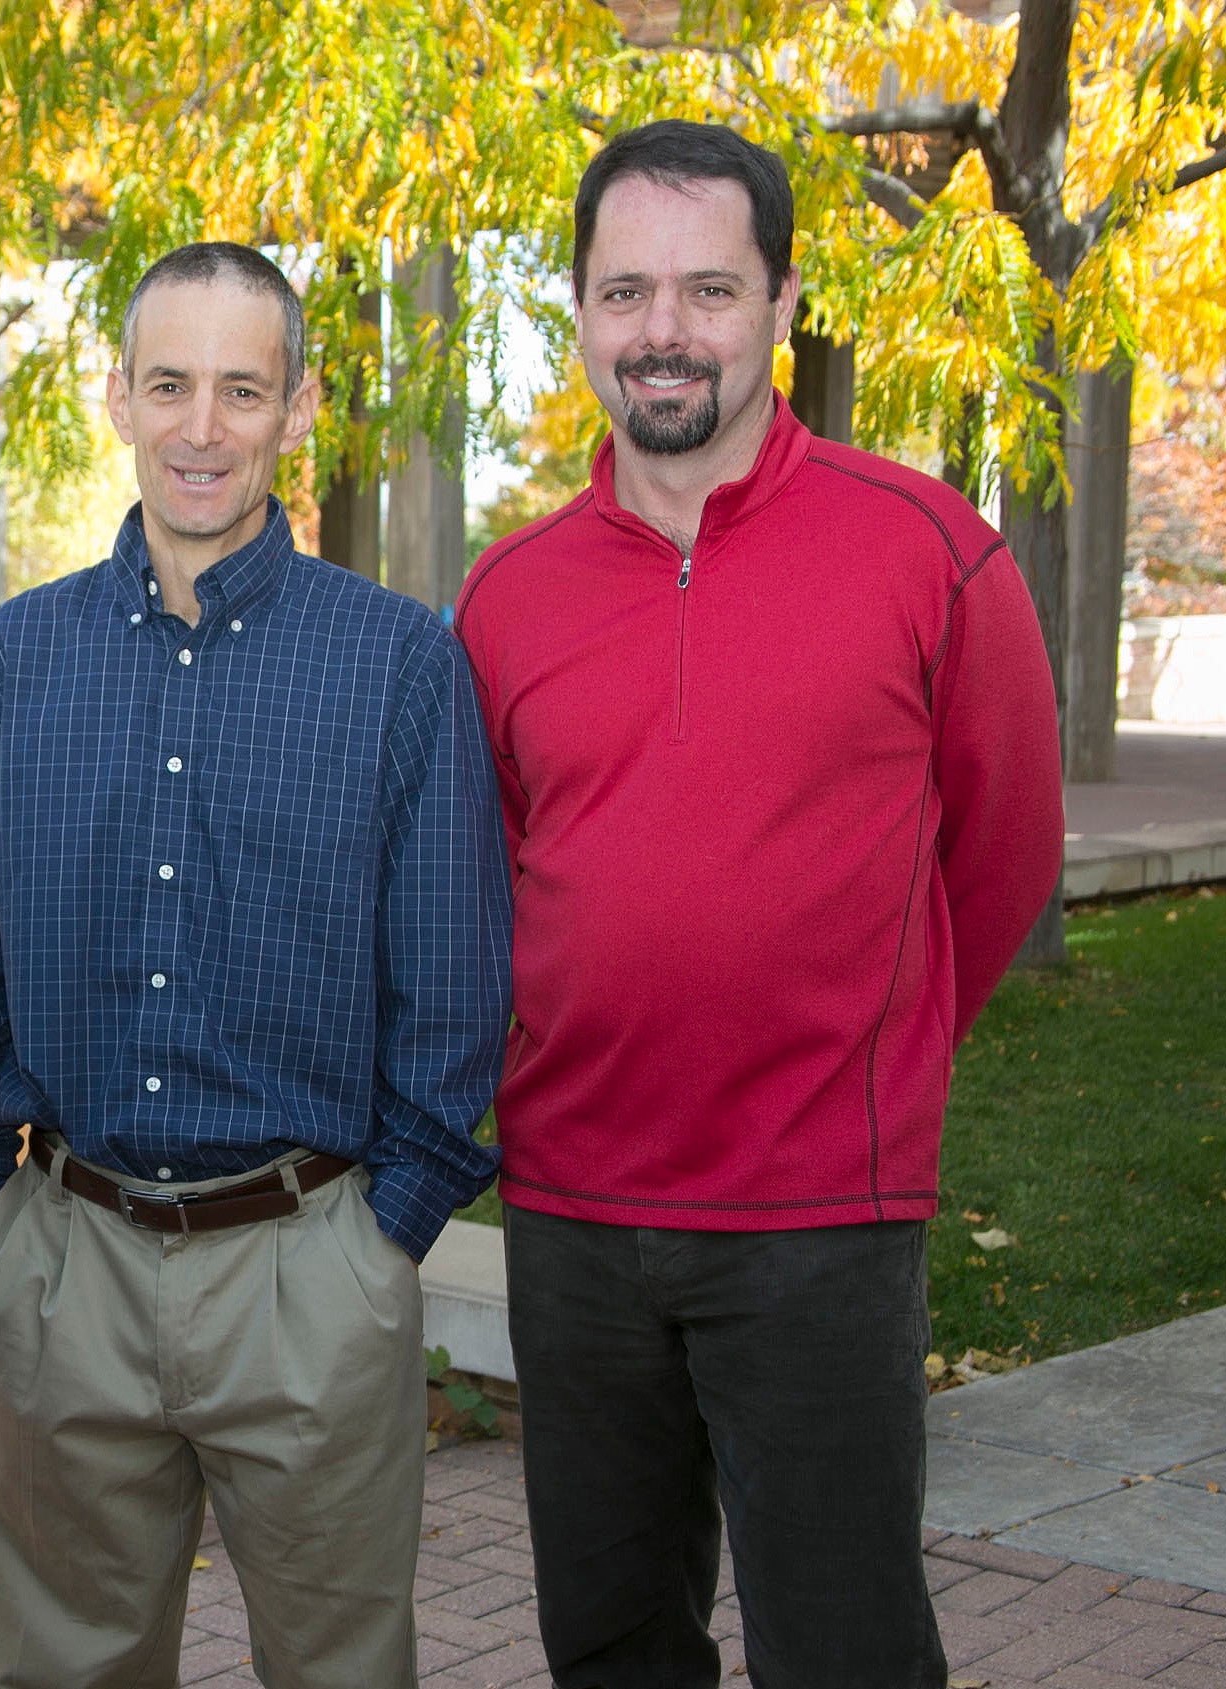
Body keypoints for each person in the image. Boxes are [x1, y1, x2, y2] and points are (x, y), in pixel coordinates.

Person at [454, 119, 1064, 1687]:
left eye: (708, 289)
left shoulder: (926, 551)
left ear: (782, 303)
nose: (662, 330)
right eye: (625, 291)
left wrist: (873, 1045)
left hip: (818, 1216)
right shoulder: (506, 596)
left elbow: (1001, 849)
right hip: (574, 1214)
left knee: (844, 1647)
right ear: (579, 311)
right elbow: (496, 875)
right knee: (609, 1643)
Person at [0, 241, 513, 1689]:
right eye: (169, 384)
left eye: (241, 390)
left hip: (310, 1267)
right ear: (116, 395)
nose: (201, 427)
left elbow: (453, 984)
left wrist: (382, 1241)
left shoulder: (397, 665)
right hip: (62, 1262)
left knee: (340, 1670)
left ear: (297, 409)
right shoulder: (9, 665)